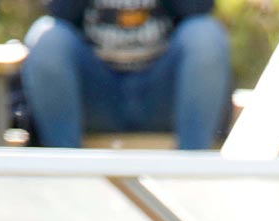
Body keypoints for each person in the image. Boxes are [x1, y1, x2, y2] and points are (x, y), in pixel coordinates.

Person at [21, 0, 232, 151]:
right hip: (96, 97)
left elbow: (199, 8)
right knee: (47, 38)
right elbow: (60, 12)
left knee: (206, 34)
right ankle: (67, 175)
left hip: (163, 97)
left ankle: (192, 174)